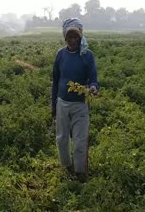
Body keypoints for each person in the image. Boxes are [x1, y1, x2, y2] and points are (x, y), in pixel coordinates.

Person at [51, 18, 99, 182]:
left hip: (80, 105)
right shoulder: (60, 54)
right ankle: (67, 167)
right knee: (62, 138)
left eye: (76, 37)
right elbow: (55, 81)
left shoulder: (87, 56)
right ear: (65, 37)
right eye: (70, 37)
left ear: (80, 37)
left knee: (80, 141)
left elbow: (93, 79)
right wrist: (54, 107)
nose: (73, 40)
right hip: (62, 103)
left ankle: (80, 173)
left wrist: (93, 88)